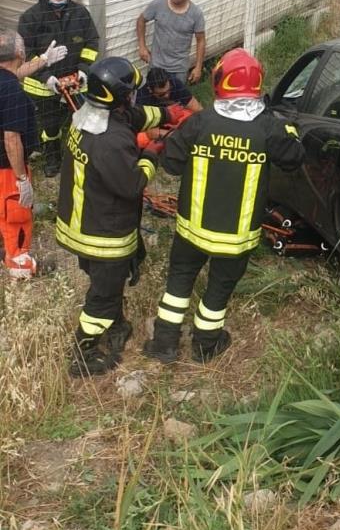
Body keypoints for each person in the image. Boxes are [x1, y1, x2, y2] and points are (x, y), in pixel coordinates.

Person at [143, 48, 305, 365]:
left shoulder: (199, 123)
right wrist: (287, 130)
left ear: (220, 82)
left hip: (192, 230)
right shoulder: (269, 128)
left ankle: (164, 343)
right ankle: (205, 345)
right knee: (218, 289)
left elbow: (172, 165)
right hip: (237, 237)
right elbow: (294, 158)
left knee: (179, 282)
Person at [56, 56, 187, 377]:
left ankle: (116, 325)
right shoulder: (112, 141)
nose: (133, 97)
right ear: (120, 96)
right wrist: (151, 154)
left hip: (80, 219)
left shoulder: (86, 116)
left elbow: (133, 115)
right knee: (102, 294)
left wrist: (170, 112)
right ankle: (84, 351)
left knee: (108, 285)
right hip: (102, 234)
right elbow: (132, 185)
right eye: (130, 92)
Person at [18, 0, 100, 178]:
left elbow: (91, 42)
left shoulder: (80, 13)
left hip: (75, 80)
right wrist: (46, 77)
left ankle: (85, 154)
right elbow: (26, 54)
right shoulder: (30, 18)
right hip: (42, 85)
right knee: (50, 124)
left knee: (84, 118)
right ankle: (52, 156)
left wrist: (83, 70)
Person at [0, 29, 67, 278]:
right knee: (16, 213)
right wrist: (21, 179)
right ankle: (19, 263)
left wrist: (43, 60)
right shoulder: (12, 91)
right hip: (7, 167)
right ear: (19, 53)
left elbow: (13, 73)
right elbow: (12, 138)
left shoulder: (4, 79)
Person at [136, 0, 206, 86]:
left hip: (179, 68)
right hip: (156, 65)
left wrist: (198, 67)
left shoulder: (196, 14)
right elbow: (141, 21)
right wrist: (142, 46)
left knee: (177, 100)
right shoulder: (158, 4)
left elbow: (201, 40)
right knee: (154, 98)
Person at [136, 67, 202, 113]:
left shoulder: (174, 83)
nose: (167, 95)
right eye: (162, 94)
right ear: (150, 89)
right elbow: (152, 132)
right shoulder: (142, 98)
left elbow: (195, 106)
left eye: (169, 90)